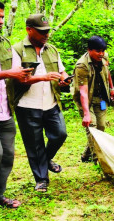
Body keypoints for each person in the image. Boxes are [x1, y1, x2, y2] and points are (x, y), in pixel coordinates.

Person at [0, 0, 33, 215]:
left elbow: (12, 73)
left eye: (2, 17)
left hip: (5, 108)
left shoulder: (4, 42)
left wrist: (24, 74)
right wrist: (9, 73)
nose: (1, 21)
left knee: (8, 155)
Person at [12, 14, 70, 192]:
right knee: (34, 144)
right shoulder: (17, 50)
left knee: (60, 134)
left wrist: (65, 80)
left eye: (47, 31)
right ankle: (41, 179)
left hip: (51, 103)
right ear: (29, 30)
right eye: (41, 31)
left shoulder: (51, 49)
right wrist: (42, 77)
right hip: (27, 105)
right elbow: (17, 78)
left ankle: (45, 160)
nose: (46, 35)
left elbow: (62, 71)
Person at [73, 36, 114, 162]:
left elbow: (107, 72)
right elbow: (83, 91)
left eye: (103, 50)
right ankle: (98, 159)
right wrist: (86, 114)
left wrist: (112, 88)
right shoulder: (82, 66)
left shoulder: (104, 57)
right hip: (85, 99)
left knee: (101, 127)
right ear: (89, 50)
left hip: (101, 97)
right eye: (98, 51)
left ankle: (86, 155)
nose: (101, 54)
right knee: (92, 127)